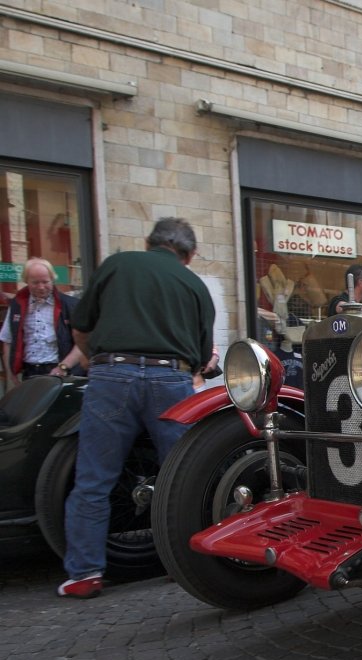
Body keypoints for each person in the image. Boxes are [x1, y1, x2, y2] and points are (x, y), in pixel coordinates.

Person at [58, 218, 215, 599]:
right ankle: (185, 565)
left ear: (149, 243)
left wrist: (98, 358)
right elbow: (201, 354)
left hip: (112, 373)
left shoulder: (116, 264)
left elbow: (80, 326)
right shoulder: (194, 284)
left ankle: (84, 573)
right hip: (169, 378)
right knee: (184, 477)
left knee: (94, 478)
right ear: (189, 254)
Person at [1, 257, 86, 386]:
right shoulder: (16, 306)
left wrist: (63, 367)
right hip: (29, 372)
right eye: (35, 283)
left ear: (52, 279)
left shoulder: (70, 305)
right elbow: (8, 341)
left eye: (45, 282)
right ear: (26, 281)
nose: (41, 287)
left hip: (63, 372)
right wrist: (11, 374)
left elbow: (83, 341)